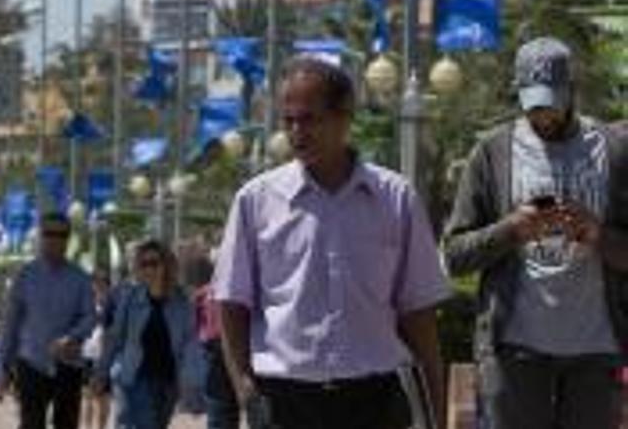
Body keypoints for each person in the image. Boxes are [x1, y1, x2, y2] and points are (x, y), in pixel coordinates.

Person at [212, 56, 452, 429]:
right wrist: (244, 387)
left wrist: (435, 410)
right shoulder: (255, 202)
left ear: (344, 117)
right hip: (284, 400)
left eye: (309, 119)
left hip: (375, 399)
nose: (296, 132)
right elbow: (231, 303)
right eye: (288, 120)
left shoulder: (395, 199)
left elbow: (418, 313)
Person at [442, 38, 628, 429]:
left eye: (552, 103)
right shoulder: (493, 153)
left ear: (572, 92)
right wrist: (512, 229)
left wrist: (597, 233)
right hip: (515, 353)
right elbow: (454, 256)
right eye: (534, 104)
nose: (543, 116)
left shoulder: (614, 150)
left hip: (597, 353)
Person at [0, 213, 97, 429]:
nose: (55, 239)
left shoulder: (80, 278)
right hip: (31, 363)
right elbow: (10, 324)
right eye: (49, 233)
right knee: (31, 423)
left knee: (67, 424)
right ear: (40, 237)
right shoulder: (25, 276)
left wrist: (72, 337)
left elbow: (90, 316)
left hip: (68, 365)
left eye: (61, 234)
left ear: (68, 239)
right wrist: (3, 366)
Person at [96, 240, 200, 429]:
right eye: (143, 264)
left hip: (168, 382)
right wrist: (101, 372)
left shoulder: (182, 303)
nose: (148, 269)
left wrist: (193, 385)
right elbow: (114, 337)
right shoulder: (130, 298)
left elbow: (190, 344)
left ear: (166, 265)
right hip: (134, 377)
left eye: (154, 263)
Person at [193, 263, 238, 429]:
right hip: (221, 347)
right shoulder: (206, 294)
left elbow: (194, 326)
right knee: (221, 406)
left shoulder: (203, 294)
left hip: (213, 347)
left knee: (219, 407)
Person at [81, 271, 111, 429]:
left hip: (105, 357)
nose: (97, 288)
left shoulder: (113, 307)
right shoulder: (86, 306)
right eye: (95, 285)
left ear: (107, 287)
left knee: (103, 398)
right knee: (88, 396)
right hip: (88, 355)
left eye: (101, 285)